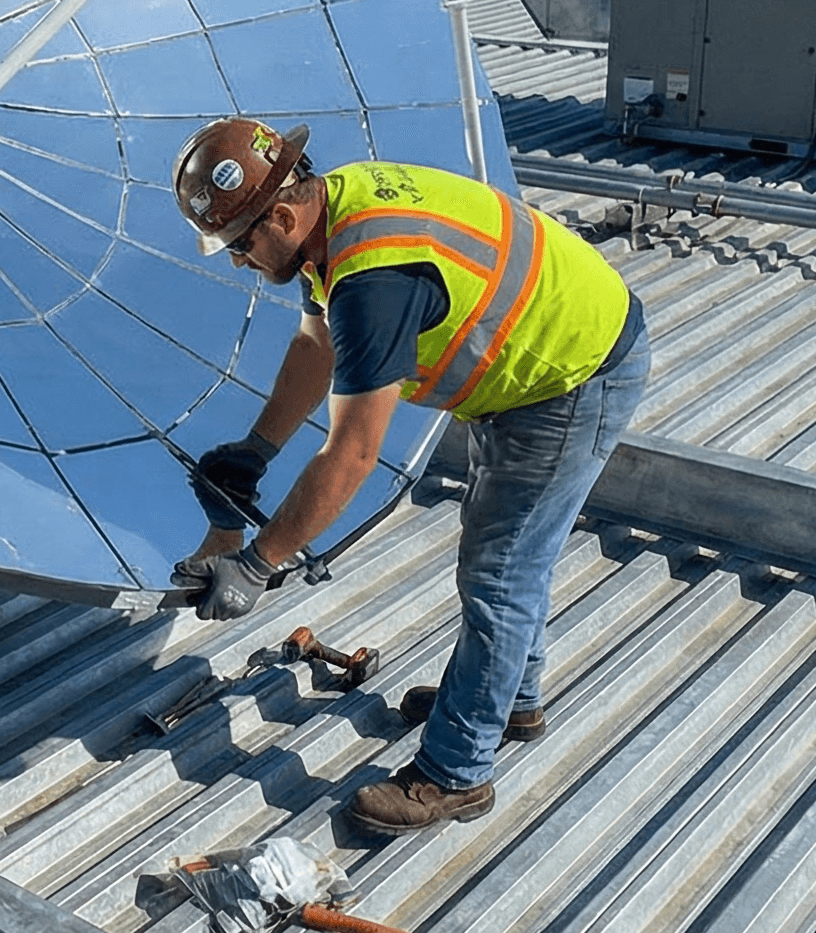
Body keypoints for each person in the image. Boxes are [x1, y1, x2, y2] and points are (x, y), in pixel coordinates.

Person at [167, 118, 649, 834]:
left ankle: (458, 772)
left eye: (240, 244)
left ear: (284, 213)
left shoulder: (375, 277)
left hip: (570, 376)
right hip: (534, 361)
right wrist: (258, 449)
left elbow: (353, 453)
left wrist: (260, 565)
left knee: (500, 569)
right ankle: (504, 698)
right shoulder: (335, 210)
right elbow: (317, 341)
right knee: (506, 556)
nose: (238, 261)